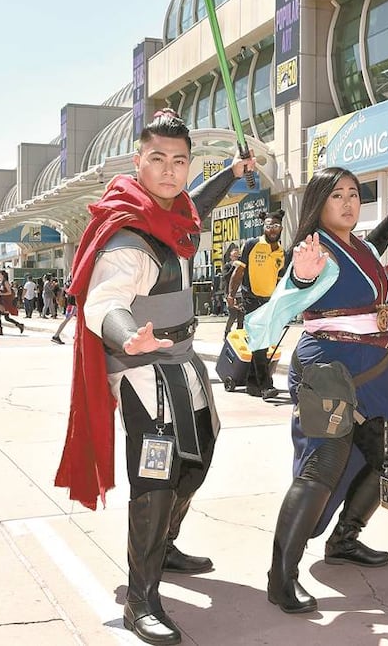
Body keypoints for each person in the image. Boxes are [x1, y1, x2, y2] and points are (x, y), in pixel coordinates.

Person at [54, 109, 255, 646]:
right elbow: (103, 303)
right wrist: (126, 337)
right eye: (158, 159)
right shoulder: (129, 233)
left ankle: (164, 542)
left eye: (180, 161)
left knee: (200, 456)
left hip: (182, 360)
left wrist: (233, 174)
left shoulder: (175, 213)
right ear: (138, 160)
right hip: (144, 370)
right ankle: (143, 597)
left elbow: (195, 205)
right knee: (155, 478)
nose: (170, 171)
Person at [244, 166, 388, 615]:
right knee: (323, 462)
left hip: (376, 367)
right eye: (336, 195)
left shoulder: (357, 246)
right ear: (319, 203)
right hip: (328, 367)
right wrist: (300, 280)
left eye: (354, 194)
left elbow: (370, 252)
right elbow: (268, 320)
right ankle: (281, 577)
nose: (347, 202)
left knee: (387, 455)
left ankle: (344, 540)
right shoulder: (313, 250)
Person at [227, 210, 286, 398]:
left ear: (281, 228)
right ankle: (266, 384)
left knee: (262, 341)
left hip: (270, 301)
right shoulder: (252, 245)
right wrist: (231, 295)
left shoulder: (280, 251)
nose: (272, 230)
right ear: (264, 227)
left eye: (275, 226)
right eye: (268, 226)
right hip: (251, 299)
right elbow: (239, 273)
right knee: (260, 341)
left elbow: (279, 279)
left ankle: (252, 383)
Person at [221, 244, 244, 337]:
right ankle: (227, 333)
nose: (236, 258)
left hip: (240, 293)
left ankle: (240, 334)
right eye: (234, 256)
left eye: (237, 256)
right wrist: (233, 267)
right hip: (231, 294)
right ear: (230, 257)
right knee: (232, 315)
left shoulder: (242, 266)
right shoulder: (227, 266)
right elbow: (226, 277)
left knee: (241, 316)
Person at [0, 270, 25, 335]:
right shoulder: (1, 282)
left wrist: (1, 294)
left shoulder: (5, 282)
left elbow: (9, 292)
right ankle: (19, 325)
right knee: (6, 317)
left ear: (3, 275)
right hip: (2, 301)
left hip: (6, 301)